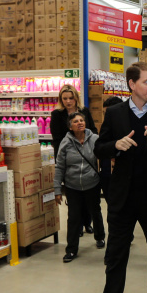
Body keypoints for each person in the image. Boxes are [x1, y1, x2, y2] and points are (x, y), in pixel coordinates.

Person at [77, 62, 147, 293]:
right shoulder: (116, 113)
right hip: (122, 198)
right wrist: (115, 147)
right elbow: (99, 147)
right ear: (132, 84)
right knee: (115, 256)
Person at [53, 113, 106, 262]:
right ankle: (71, 250)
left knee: (95, 211)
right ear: (70, 126)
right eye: (76, 121)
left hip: (92, 183)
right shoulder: (65, 143)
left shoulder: (94, 139)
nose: (80, 123)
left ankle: (100, 236)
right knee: (74, 218)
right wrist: (57, 190)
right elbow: (59, 167)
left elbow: (104, 157)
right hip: (72, 186)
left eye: (82, 120)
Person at [51, 84, 97, 236]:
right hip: (69, 157)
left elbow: (93, 131)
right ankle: (77, 226)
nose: (68, 101)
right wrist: (61, 157)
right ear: (61, 99)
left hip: (86, 154)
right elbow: (56, 138)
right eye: (65, 99)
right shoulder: (57, 115)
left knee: (89, 194)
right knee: (74, 195)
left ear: (76, 98)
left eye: (71, 98)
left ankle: (87, 223)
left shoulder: (84, 112)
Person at [98, 96, 125, 200]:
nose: (106, 117)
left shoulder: (128, 128)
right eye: (105, 114)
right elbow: (99, 149)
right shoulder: (105, 129)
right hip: (107, 175)